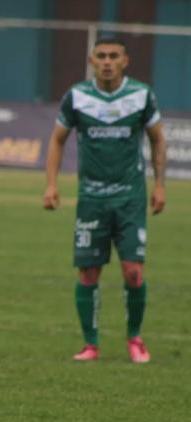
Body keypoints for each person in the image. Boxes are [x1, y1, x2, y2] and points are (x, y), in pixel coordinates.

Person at [44, 36, 166, 364]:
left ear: (125, 60)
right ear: (91, 60)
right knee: (88, 273)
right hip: (91, 199)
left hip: (130, 197)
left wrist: (160, 186)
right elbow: (57, 141)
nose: (107, 61)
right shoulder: (78, 97)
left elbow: (157, 140)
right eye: (101, 56)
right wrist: (51, 185)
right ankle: (91, 344)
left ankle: (135, 339)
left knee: (133, 272)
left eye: (114, 56)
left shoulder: (141, 96)